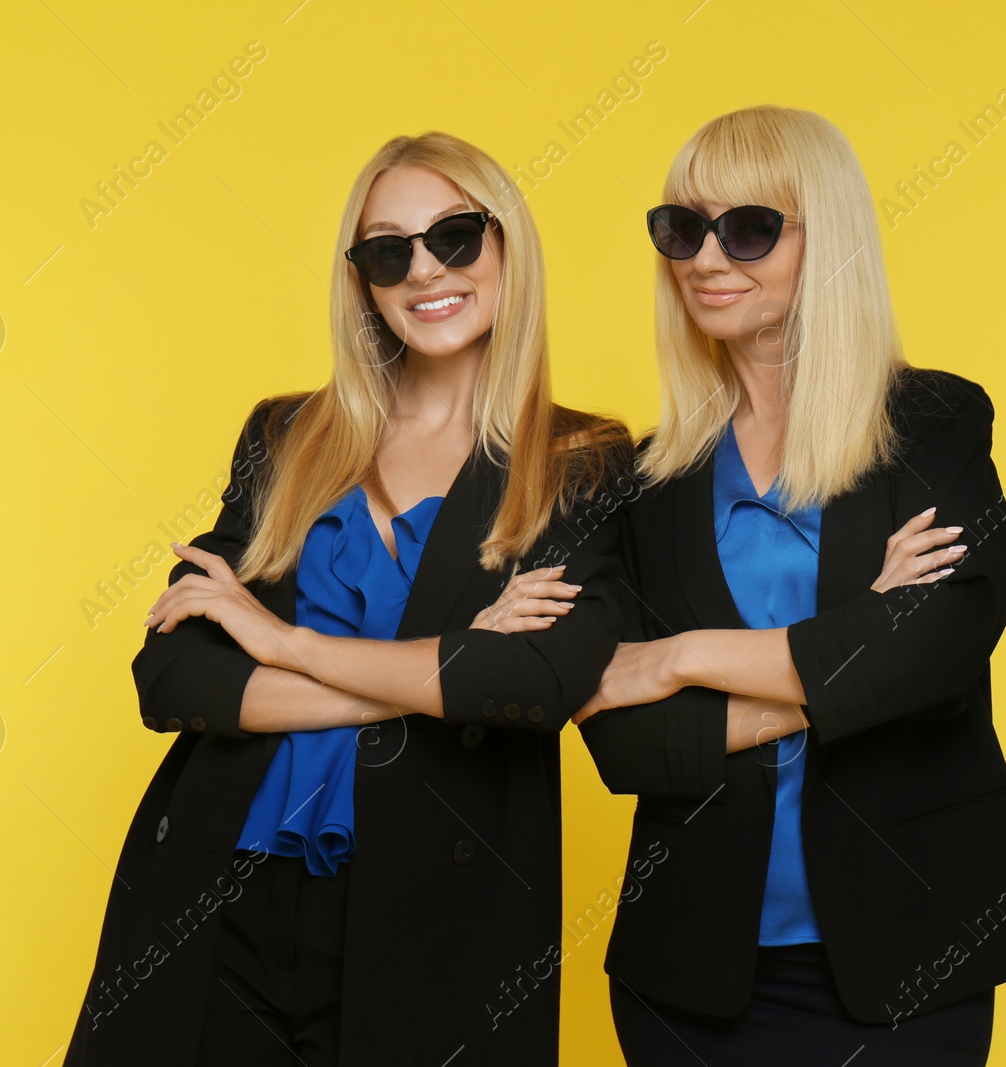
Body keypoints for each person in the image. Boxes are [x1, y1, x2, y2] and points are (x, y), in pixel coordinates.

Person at [64, 130, 631, 1067]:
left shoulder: (580, 460)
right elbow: (172, 672)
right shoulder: (292, 434)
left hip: (431, 913)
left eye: (454, 236)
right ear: (361, 277)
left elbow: (538, 681)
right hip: (218, 892)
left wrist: (279, 642)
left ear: (505, 246)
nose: (424, 271)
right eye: (387, 250)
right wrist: (444, 663)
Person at [574, 105, 1006, 1065]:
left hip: (907, 950)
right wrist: (860, 641)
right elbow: (621, 734)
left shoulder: (929, 422)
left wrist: (681, 658)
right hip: (688, 971)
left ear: (830, 239)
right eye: (683, 228)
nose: (707, 257)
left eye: (751, 227)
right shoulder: (640, 482)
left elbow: (939, 645)